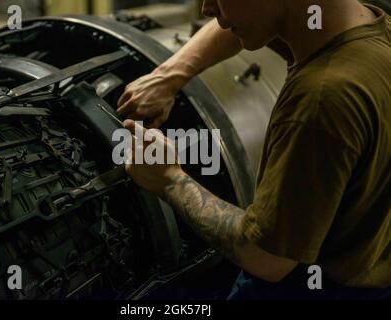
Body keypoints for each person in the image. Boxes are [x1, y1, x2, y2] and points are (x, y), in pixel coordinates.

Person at [116, 0, 391, 299]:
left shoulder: (320, 99)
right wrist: (170, 75)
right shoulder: (368, 24)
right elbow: (268, 15)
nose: (207, 10)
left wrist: (169, 179)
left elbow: (266, 258)